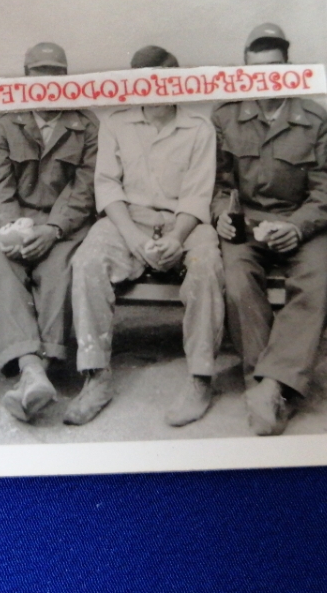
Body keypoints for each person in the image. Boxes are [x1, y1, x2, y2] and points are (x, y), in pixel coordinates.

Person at [63, 45, 225, 428]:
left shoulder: (199, 128)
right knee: (87, 262)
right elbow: (107, 187)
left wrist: (177, 238)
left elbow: (199, 194)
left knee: (206, 265)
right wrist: (134, 239)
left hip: (185, 221)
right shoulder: (115, 124)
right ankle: (96, 377)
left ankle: (201, 378)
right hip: (127, 220)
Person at [211, 23, 327, 436]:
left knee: (318, 280)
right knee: (235, 280)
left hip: (301, 222)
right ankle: (269, 381)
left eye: (274, 67)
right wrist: (221, 214)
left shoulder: (315, 119)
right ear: (245, 70)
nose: (264, 76)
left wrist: (298, 228)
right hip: (247, 224)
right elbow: (217, 185)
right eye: (255, 69)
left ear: (289, 67)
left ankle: (268, 384)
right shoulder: (226, 117)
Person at [0, 42, 99, 422]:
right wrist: (11, 228)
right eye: (39, 73)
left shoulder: (86, 125)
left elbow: (83, 191)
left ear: (66, 79)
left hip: (62, 224)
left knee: (58, 269)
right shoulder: (4, 123)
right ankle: (32, 367)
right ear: (26, 78)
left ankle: (41, 367)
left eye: (56, 73)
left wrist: (52, 229)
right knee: (3, 269)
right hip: (16, 221)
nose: (47, 81)